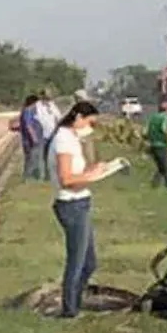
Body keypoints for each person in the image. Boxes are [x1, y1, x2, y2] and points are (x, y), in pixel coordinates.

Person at [47, 101, 109, 318]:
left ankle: (76, 300)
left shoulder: (72, 138)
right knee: (77, 260)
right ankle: (69, 308)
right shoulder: (63, 140)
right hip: (71, 204)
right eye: (89, 122)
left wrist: (96, 170)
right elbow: (66, 179)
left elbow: (77, 172)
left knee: (89, 262)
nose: (90, 128)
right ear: (79, 118)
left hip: (81, 201)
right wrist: (91, 176)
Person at [145, 100, 167, 189]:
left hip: (152, 144)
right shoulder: (164, 117)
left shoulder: (153, 117)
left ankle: (154, 185)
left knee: (161, 166)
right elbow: (164, 130)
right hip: (161, 145)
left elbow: (146, 131)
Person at [19, 94, 42, 180]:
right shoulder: (28, 111)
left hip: (28, 140)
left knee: (31, 159)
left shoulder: (26, 111)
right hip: (29, 141)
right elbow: (28, 125)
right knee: (31, 159)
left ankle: (29, 177)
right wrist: (34, 138)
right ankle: (28, 177)